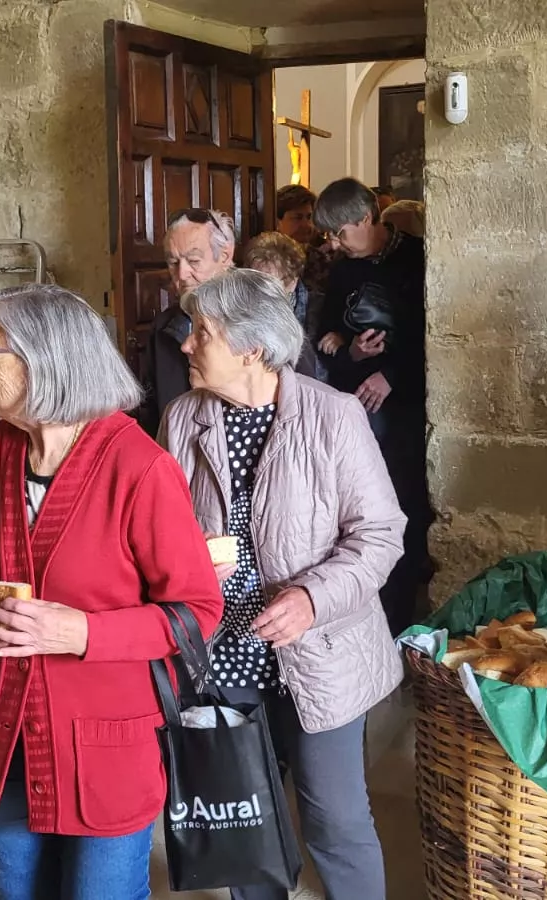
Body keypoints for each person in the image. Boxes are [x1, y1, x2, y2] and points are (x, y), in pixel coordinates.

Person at [0, 284, 224, 900]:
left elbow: (196, 612)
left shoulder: (139, 468)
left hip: (103, 748)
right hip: (1, 735)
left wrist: (81, 631)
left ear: (43, 359)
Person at [159, 269, 405, 900]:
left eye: (202, 333)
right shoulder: (183, 419)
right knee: (246, 816)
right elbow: (161, 530)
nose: (186, 344)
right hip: (224, 649)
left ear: (251, 348)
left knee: (334, 820)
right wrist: (186, 564)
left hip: (320, 650)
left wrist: (311, 598)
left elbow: (380, 535)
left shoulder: (334, 416)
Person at [313, 177, 430, 635]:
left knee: (402, 506)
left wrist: (391, 375)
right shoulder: (343, 270)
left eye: (341, 232)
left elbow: (434, 336)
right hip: (357, 408)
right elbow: (327, 341)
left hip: (404, 414)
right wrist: (354, 353)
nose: (336, 244)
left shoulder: (416, 257)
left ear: (366, 218)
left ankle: (400, 616)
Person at [136, 207, 238, 434]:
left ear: (224, 256)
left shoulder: (258, 320)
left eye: (193, 260)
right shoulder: (163, 328)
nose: (181, 274)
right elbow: (151, 412)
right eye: (173, 262)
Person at [242, 231, 321, 379]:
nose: (259, 290)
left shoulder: (317, 310)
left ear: (293, 281)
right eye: (255, 279)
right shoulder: (240, 309)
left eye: (268, 282)